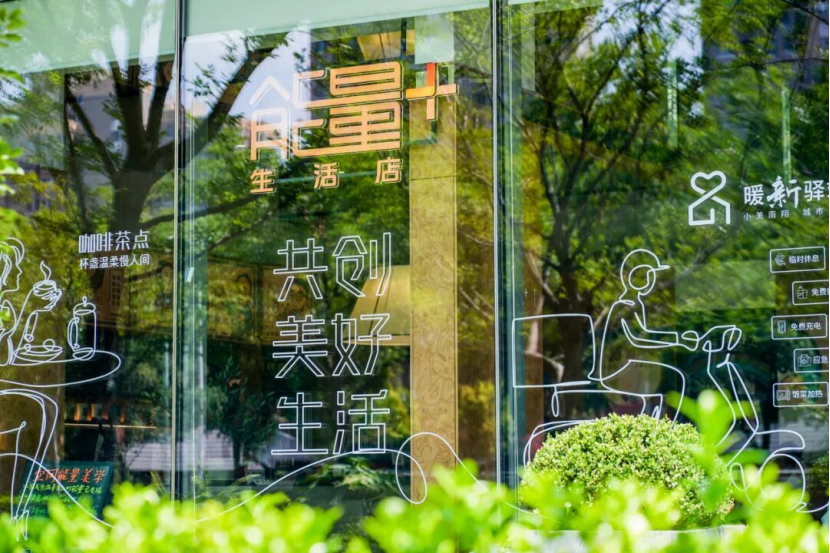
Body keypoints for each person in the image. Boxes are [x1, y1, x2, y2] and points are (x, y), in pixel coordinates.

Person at [589, 249, 702, 417]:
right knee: (678, 376)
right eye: (649, 277)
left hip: (628, 365)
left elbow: (644, 333)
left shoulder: (635, 303)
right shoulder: (625, 304)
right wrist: (677, 342)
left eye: (651, 277)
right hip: (620, 369)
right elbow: (635, 339)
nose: (651, 282)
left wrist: (676, 340)